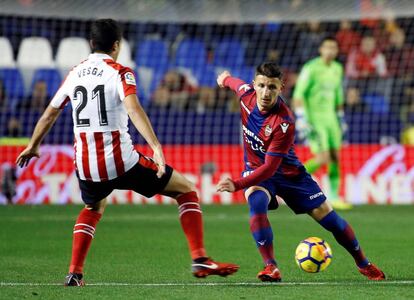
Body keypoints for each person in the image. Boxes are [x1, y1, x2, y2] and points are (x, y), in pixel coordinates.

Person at [16, 19, 238, 286]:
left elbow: (51, 112)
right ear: (117, 46)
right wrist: (155, 146)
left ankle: (74, 272)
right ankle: (200, 257)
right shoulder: (120, 72)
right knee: (186, 189)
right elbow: (133, 109)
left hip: (86, 166)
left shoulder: (75, 72)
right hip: (121, 161)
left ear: (91, 44)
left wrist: (33, 144)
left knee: (94, 206)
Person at [215, 62, 385, 282]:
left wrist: (237, 184)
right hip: (256, 170)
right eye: (262, 85)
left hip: (289, 175)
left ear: (281, 87)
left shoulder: (283, 122)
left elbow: (270, 168)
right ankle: (271, 267)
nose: (266, 92)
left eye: (272, 87)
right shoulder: (245, 95)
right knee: (256, 204)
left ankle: (364, 264)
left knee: (331, 221)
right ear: (254, 85)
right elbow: (234, 83)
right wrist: (225, 78)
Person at [292, 36, 352, 210]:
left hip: (331, 119)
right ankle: (289, 182)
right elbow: (298, 94)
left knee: (335, 157)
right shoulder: (311, 68)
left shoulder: (337, 68)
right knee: (323, 157)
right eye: (327, 47)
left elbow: (338, 94)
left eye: (334, 48)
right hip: (314, 120)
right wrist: (301, 118)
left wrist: (340, 118)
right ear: (321, 49)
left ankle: (333, 196)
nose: (330, 51)